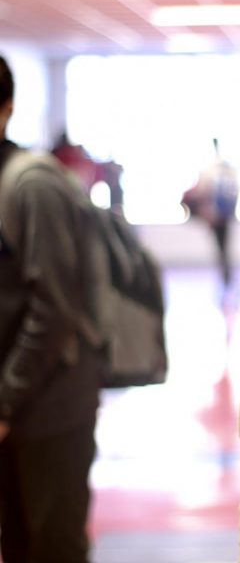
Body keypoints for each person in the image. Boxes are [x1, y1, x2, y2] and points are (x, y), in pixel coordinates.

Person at [0, 55, 101, 563]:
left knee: (52, 546)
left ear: (7, 110)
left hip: (50, 406)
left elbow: (53, 308)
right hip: (15, 407)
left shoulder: (31, 184)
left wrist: (5, 400)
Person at [183, 138, 240, 291]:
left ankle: (226, 278)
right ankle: (227, 278)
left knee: (221, 249)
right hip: (226, 215)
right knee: (225, 248)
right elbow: (235, 191)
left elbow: (202, 193)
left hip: (216, 217)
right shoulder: (228, 169)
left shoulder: (209, 170)